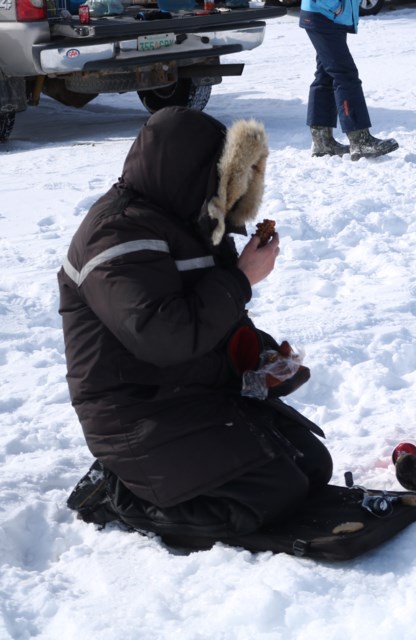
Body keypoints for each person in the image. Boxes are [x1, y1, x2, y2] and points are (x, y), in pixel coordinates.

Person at [59, 107, 333, 541]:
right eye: (224, 178)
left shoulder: (186, 220)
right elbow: (164, 338)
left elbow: (210, 317)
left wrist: (257, 354)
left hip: (193, 395)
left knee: (312, 467)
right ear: (190, 171)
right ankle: (117, 494)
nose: (230, 191)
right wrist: (241, 278)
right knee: (272, 495)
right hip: (137, 413)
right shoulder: (114, 234)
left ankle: (163, 481)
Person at [299, 0, 399, 161]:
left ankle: (322, 141)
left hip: (330, 15)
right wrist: (335, 7)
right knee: (345, 75)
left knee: (325, 74)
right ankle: (359, 139)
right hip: (324, 12)